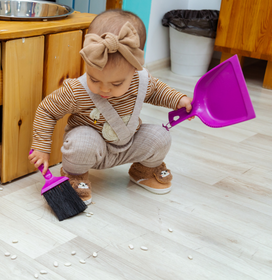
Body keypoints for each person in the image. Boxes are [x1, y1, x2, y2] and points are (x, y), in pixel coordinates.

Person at [28, 9, 193, 205]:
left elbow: (158, 91)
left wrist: (179, 100)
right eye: (94, 79)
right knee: (82, 141)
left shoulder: (142, 81)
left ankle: (143, 170)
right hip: (92, 150)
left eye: (116, 84)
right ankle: (75, 175)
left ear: (135, 69)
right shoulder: (76, 91)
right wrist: (41, 147)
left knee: (161, 136)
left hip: (129, 144)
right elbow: (47, 110)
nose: (104, 89)